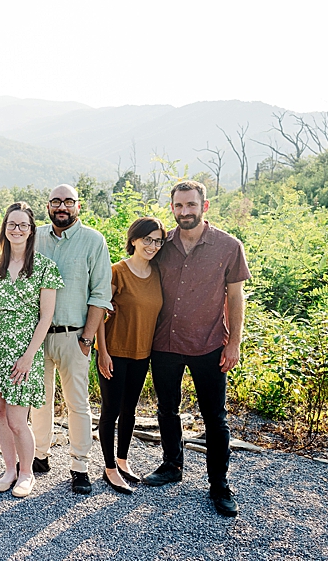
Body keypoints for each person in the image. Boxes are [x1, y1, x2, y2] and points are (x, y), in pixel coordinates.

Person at [143, 180, 250, 518]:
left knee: (215, 419)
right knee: (167, 409)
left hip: (208, 345)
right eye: (178, 206)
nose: (184, 212)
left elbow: (235, 298)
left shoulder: (228, 246)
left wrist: (233, 343)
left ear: (204, 206)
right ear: (171, 208)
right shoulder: (160, 244)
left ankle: (219, 483)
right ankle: (172, 465)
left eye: (191, 205)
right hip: (165, 344)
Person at [32, 184, 112, 494]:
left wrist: (87, 338)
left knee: (77, 403)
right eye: (56, 201)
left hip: (74, 335)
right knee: (39, 399)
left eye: (68, 201)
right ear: (48, 205)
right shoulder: (34, 237)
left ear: (78, 206)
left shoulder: (93, 241)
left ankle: (80, 464)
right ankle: (40, 454)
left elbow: (101, 293)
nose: (61, 206)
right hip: (37, 335)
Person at [0, 202, 62, 498]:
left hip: (23, 351)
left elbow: (46, 317)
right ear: (4, 228)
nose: (17, 230)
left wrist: (28, 356)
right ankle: (9, 468)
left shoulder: (44, 267)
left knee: (17, 418)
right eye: (11, 224)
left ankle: (27, 472)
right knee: (0, 412)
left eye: (23, 225)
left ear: (31, 230)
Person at [95, 217, 166, 495]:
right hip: (115, 352)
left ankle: (123, 461)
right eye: (147, 239)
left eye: (158, 240)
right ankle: (109, 468)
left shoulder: (158, 274)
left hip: (142, 353)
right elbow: (99, 312)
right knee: (110, 410)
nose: (152, 245)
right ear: (134, 240)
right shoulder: (117, 272)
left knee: (130, 410)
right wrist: (102, 352)